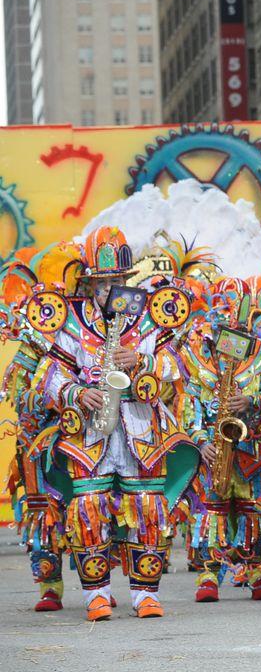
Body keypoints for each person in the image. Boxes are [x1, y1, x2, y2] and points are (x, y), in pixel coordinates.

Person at [33, 227, 196, 620]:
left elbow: (179, 365)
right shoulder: (71, 321)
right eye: (101, 283)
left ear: (127, 280)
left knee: (150, 508)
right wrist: (75, 393)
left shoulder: (150, 316)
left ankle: (145, 594)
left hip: (141, 428)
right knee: (87, 507)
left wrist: (141, 362)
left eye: (116, 282)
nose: (109, 290)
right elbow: (47, 375)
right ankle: (97, 593)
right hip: (89, 432)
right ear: (90, 284)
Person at [183, 277, 261, 602]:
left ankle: (259, 573)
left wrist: (252, 401)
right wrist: (200, 441)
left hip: (253, 453)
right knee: (210, 513)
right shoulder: (200, 365)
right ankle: (209, 574)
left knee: (255, 513)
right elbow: (189, 408)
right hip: (214, 455)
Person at [2, 246, 71, 611]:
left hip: (82, 437)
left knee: (88, 510)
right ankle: (49, 584)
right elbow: (20, 394)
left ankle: (97, 581)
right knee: (41, 511)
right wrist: (50, 399)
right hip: (39, 442)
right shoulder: (32, 343)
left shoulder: (80, 338)